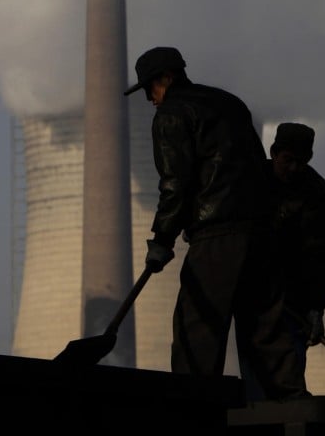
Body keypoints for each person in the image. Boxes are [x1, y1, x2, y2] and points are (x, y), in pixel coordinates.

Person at [123, 46, 304, 399]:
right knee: (267, 331)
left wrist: (162, 239)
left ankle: (194, 407)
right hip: (262, 233)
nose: (149, 99)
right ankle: (290, 406)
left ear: (167, 78)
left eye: (150, 89)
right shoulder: (230, 103)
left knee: (198, 330)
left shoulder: (172, 114)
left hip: (218, 236)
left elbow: (175, 183)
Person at [266, 122, 325, 395]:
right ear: (274, 153)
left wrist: (316, 308)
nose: (294, 168)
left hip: (295, 300)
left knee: (289, 373)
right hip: (256, 295)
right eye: (287, 160)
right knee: (257, 373)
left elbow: (320, 252)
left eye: (301, 162)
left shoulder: (318, 192)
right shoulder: (253, 180)